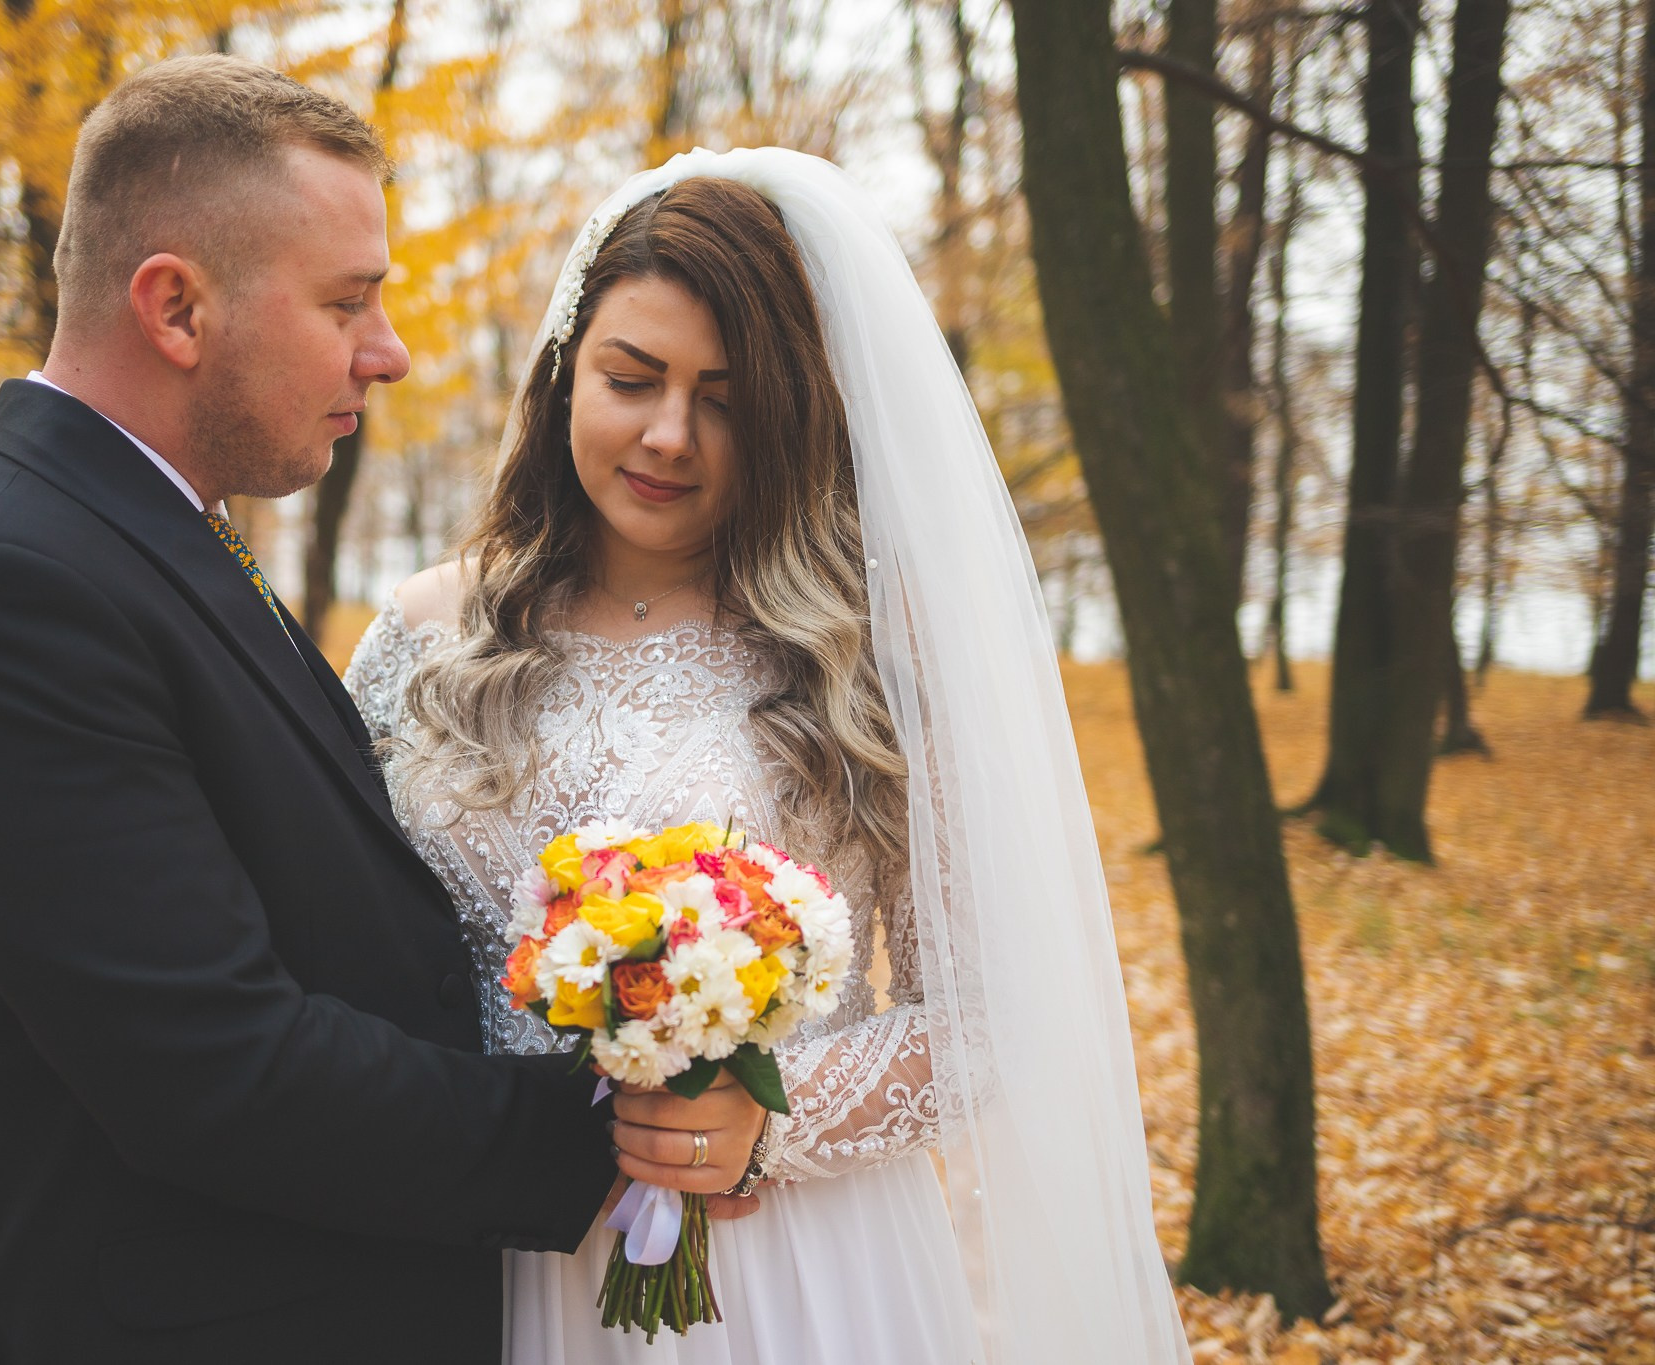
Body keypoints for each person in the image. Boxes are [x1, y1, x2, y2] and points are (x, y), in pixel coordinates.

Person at [0, 57, 764, 1365]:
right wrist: (602, 1136)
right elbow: (214, 1070)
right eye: (348, 303)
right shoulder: (1, 596)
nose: (385, 354)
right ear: (176, 308)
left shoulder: (148, 532)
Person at [346, 151, 1197, 1363]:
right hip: (480, 1265)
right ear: (559, 372)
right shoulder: (426, 634)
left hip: (784, 1278)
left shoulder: (866, 653)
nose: (669, 435)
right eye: (628, 378)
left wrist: (767, 1119)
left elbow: (993, 1017)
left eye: (727, 401)